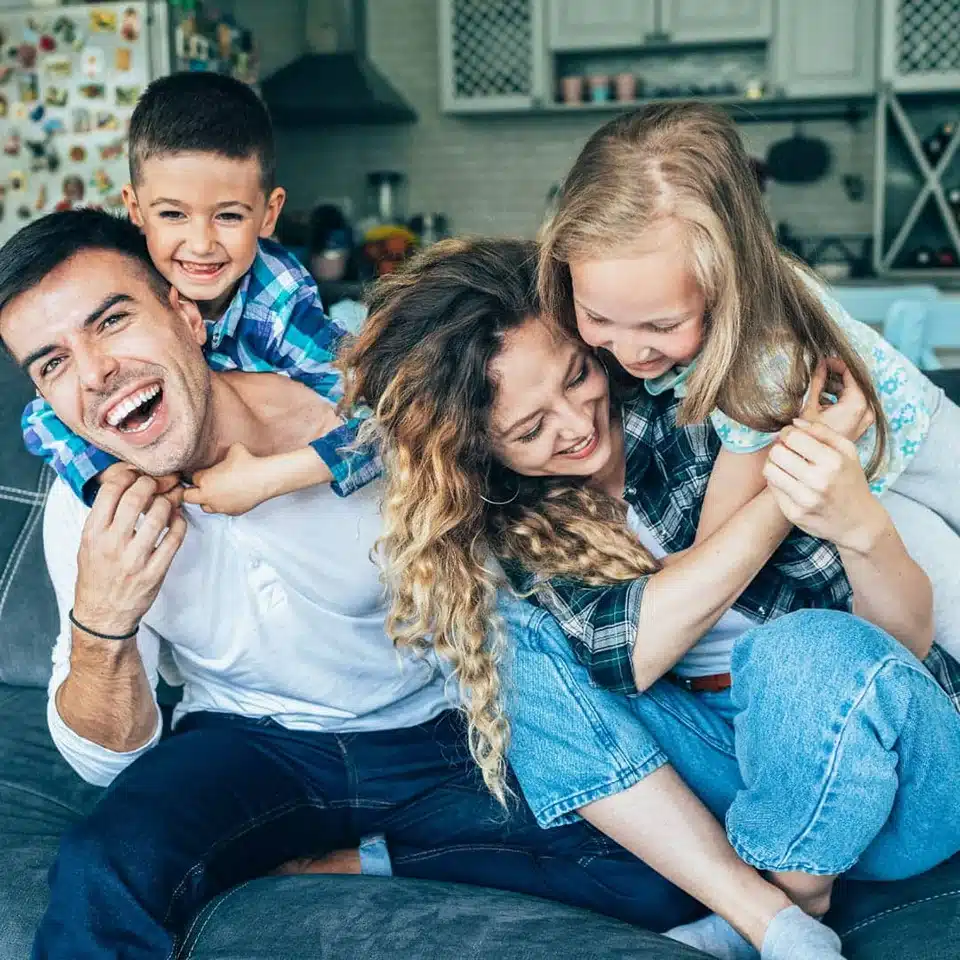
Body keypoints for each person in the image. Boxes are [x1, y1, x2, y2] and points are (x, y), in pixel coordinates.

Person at [0, 210, 708, 960]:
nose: (93, 371)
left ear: (184, 312)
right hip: (249, 743)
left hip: (438, 732)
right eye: (52, 363)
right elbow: (104, 761)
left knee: (659, 870)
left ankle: (365, 858)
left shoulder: (360, 417)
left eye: (111, 322)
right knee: (102, 869)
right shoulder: (91, 503)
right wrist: (102, 622)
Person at [341, 237, 960, 960]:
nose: (576, 427)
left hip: (894, 775)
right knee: (497, 634)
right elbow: (628, 654)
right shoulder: (519, 518)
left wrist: (795, 475)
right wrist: (779, 501)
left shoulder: (700, 406)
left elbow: (891, 647)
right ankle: (772, 921)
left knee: (800, 648)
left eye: (576, 377)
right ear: (477, 449)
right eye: (529, 429)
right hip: (734, 774)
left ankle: (772, 909)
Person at [537, 100, 960, 657]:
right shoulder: (674, 302)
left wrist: (650, 581)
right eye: (597, 318)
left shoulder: (762, 356)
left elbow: (717, 541)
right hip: (867, 477)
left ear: (726, 283)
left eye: (662, 325)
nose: (629, 350)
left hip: (921, 452)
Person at [21, 71, 378, 514]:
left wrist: (266, 479)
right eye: (172, 214)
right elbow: (42, 417)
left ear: (268, 215)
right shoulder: (126, 284)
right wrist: (108, 473)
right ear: (135, 209)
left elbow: (385, 426)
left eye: (228, 217)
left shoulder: (278, 301)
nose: (201, 244)